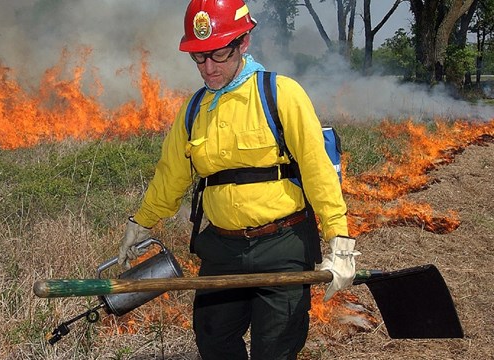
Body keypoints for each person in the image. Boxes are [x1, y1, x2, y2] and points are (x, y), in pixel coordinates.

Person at [118, 0, 360, 359]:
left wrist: (339, 243)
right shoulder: (193, 110)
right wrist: (140, 223)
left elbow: (317, 171)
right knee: (213, 340)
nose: (208, 68)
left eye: (218, 54)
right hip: (222, 250)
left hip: (282, 245)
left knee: (275, 349)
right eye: (199, 58)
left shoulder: (280, 94)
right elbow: (171, 176)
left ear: (243, 43)